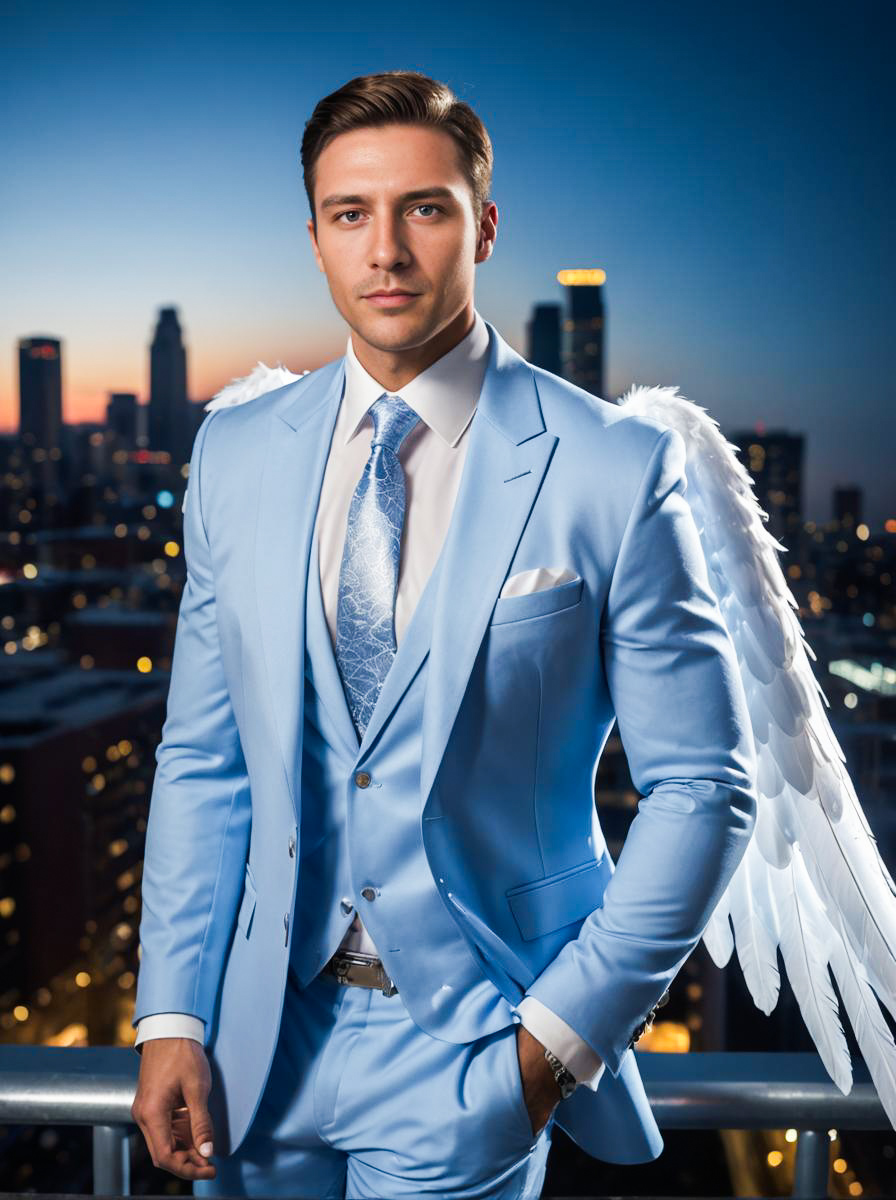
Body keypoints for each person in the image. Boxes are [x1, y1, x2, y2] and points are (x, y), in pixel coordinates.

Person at [130, 69, 758, 1198]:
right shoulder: (236, 451)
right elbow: (203, 759)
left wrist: (549, 1052)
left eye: (423, 209)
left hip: (473, 1051)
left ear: (483, 225)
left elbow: (703, 787)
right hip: (253, 1048)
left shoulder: (614, 465)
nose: (385, 253)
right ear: (315, 239)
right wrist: (172, 1011)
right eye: (349, 216)